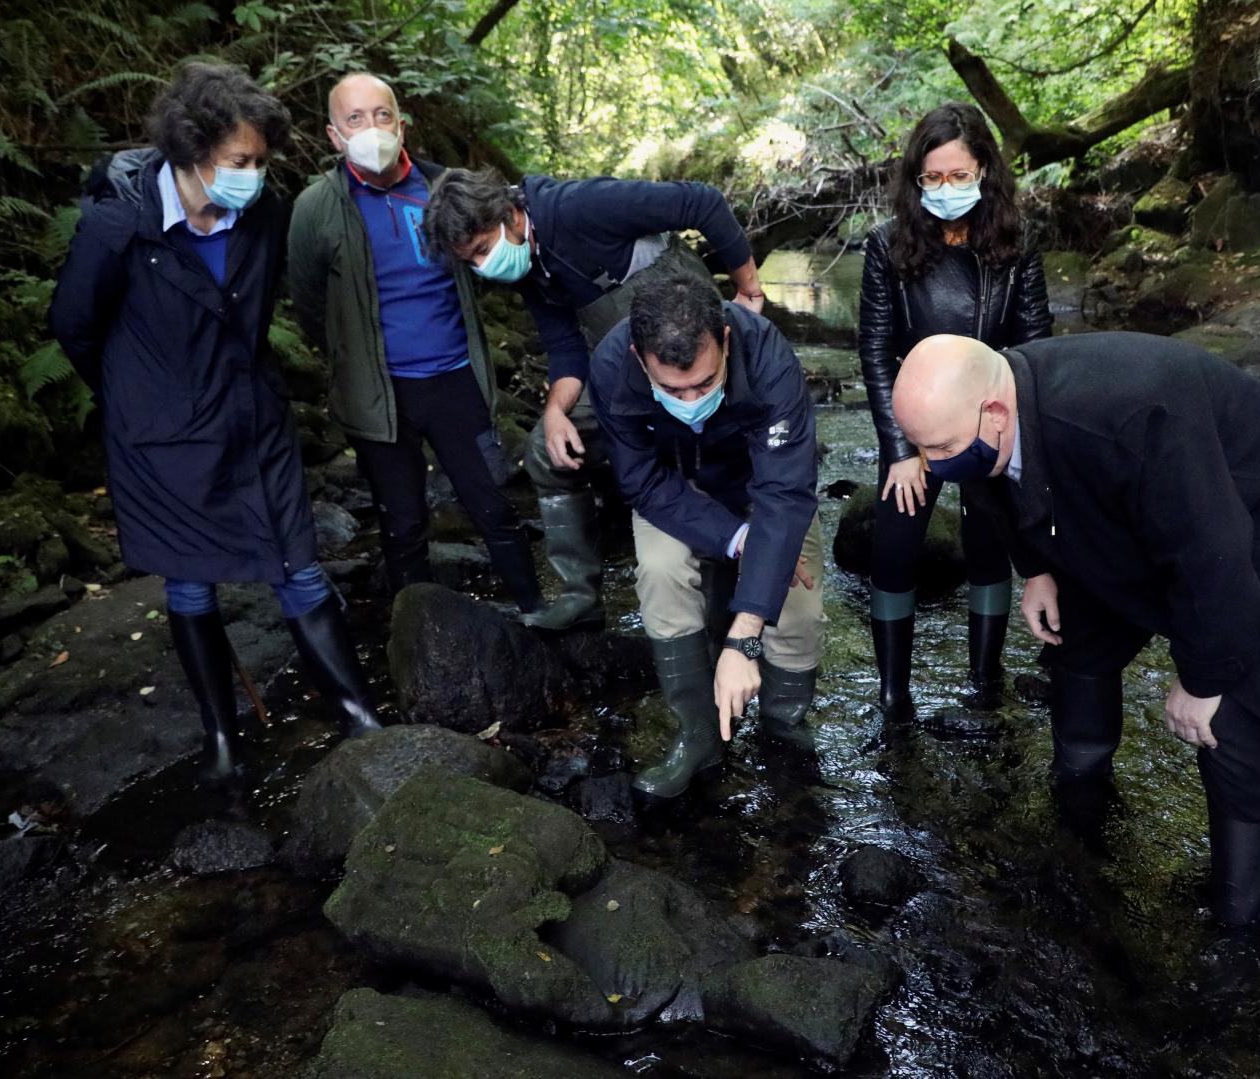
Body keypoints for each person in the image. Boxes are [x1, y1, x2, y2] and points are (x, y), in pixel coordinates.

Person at [891, 333, 1260, 927]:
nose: (931, 466)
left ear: (994, 411)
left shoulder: (1126, 417)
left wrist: (1202, 679)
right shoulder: (994, 415)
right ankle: (1082, 801)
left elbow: (1212, 556)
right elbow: (996, 484)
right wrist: (1037, 570)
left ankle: (1244, 919)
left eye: (940, 447)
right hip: (1147, 509)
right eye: (920, 447)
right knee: (1079, 643)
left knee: (1231, 722)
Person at [49, 62, 381, 782]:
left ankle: (357, 715)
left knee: (297, 560)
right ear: (192, 152)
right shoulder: (119, 223)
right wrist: (140, 395)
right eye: (240, 161)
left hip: (251, 416)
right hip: (162, 434)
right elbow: (74, 325)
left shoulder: (262, 212)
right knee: (191, 582)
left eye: (262, 160)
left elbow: (258, 312)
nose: (253, 174)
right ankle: (223, 743)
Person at [422, 164, 765, 632]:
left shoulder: (581, 207)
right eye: (471, 262)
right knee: (544, 449)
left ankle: (728, 603)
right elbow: (566, 347)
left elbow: (701, 202)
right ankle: (580, 595)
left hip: (689, 351)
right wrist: (556, 412)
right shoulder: (528, 266)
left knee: (699, 458)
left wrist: (748, 289)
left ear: (509, 213)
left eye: (483, 250)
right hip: (621, 363)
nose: (484, 266)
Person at [286, 74, 545, 612]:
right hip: (380, 398)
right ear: (334, 136)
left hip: (456, 383)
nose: (371, 127)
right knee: (402, 526)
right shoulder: (316, 208)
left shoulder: (444, 188)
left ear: (402, 124)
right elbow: (310, 305)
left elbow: (494, 256)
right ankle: (418, 642)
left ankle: (539, 619)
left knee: (495, 508)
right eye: (355, 118)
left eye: (382, 115)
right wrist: (349, 364)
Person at [588, 271, 822, 800]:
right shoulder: (610, 365)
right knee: (660, 572)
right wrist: (737, 540)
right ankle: (697, 733)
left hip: (761, 485)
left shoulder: (768, 357)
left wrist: (744, 638)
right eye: (671, 389)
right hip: (674, 489)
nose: (689, 398)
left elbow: (784, 495)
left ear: (726, 339)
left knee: (797, 602)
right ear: (638, 354)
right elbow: (639, 480)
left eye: (704, 383)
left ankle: (784, 727)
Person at [859, 102, 1052, 719]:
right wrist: (900, 449)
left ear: (985, 172)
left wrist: (1001, 437)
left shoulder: (1017, 246)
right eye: (932, 179)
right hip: (916, 425)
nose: (945, 190)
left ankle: (985, 681)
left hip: (991, 419)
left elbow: (1033, 345)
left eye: (958, 176)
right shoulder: (887, 246)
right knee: (894, 543)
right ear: (916, 180)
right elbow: (875, 348)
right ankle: (894, 697)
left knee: (990, 536)